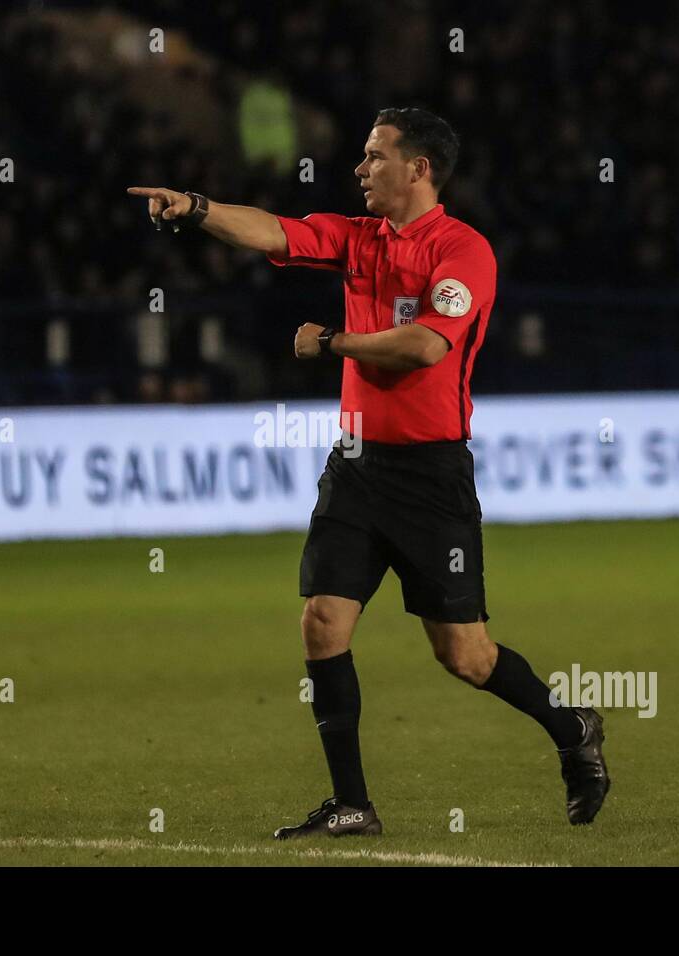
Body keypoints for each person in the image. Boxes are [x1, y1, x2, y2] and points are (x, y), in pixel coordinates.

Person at [127, 107, 610, 838]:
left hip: (430, 477)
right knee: (323, 621)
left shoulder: (464, 251)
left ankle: (571, 728)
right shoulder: (358, 239)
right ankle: (352, 803)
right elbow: (274, 230)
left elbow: (423, 348)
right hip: (355, 468)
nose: (360, 168)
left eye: (375, 155)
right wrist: (196, 209)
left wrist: (331, 343)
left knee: (465, 655)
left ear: (418, 169)